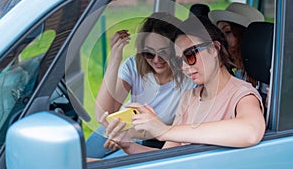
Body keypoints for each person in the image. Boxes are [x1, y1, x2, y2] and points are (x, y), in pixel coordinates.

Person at [101, 16, 266, 155]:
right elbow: (166, 158)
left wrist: (164, 130)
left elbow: (251, 132)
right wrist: (127, 144)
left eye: (190, 55)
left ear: (214, 48)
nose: (185, 67)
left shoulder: (242, 94)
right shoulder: (190, 98)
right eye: (179, 60)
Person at [86, 12, 195, 158]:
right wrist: (115, 57)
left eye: (164, 52)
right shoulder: (134, 65)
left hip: (149, 139)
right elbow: (103, 114)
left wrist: (132, 134)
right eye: (149, 53)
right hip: (121, 126)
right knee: (80, 159)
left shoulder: (190, 77)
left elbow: (176, 133)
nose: (156, 60)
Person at [208, 2, 269, 106]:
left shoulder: (268, 72)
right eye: (220, 34)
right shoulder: (236, 72)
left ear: (244, 35)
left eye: (227, 32)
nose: (222, 39)